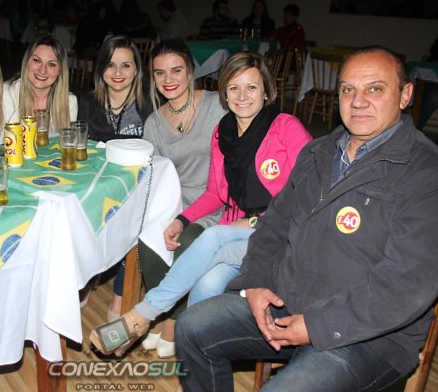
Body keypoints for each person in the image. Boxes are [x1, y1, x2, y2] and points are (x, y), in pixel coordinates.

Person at [175, 46, 438, 391]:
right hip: (289, 303)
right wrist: (255, 283)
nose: (358, 101)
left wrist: (317, 324)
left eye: (375, 89)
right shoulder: (318, 152)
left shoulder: (426, 172)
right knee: (192, 327)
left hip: (369, 337)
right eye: (348, 89)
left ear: (405, 95)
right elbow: (273, 227)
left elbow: (407, 285)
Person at [89, 52, 311, 358]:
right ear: (225, 94)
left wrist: (257, 222)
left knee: (213, 236)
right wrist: (181, 220)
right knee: (207, 284)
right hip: (238, 236)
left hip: (282, 235)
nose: (242, 96)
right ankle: (196, 354)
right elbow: (215, 194)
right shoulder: (224, 132)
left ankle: (142, 316)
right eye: (233, 88)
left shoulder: (285, 127)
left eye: (251, 87)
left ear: (266, 91)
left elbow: (311, 193)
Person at [88, 38, 226, 357]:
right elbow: (155, 176)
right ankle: (164, 316)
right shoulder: (154, 122)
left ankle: (169, 323)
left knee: (186, 242)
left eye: (176, 70)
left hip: (213, 203)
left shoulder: (217, 106)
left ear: (190, 71)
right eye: (160, 73)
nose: (168, 79)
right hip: (173, 203)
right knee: (149, 240)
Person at [77, 36, 153, 318]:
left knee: (136, 219)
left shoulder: (149, 103)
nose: (118, 73)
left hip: (138, 187)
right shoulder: (89, 101)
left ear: (137, 70)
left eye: (126, 65)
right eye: (110, 65)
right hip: (99, 184)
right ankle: (88, 275)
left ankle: (120, 293)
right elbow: (81, 148)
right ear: (100, 69)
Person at [3, 35, 77, 133]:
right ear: (26, 62)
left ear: (60, 71)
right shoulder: (6, 94)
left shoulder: (69, 101)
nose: (42, 70)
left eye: (51, 64)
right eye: (37, 60)